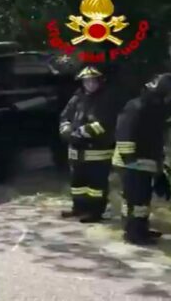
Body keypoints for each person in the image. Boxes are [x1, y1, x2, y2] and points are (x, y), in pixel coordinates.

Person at [113, 73, 171, 246]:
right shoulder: (137, 106)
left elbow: (157, 139)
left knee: (142, 201)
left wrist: (160, 168)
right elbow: (125, 134)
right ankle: (133, 234)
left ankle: (140, 229)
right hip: (130, 162)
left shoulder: (156, 108)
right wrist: (131, 161)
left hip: (145, 162)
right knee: (135, 200)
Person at [58, 66, 119, 223]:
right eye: (87, 81)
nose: (90, 84)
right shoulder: (77, 98)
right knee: (78, 184)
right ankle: (78, 209)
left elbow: (104, 123)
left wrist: (80, 133)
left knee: (96, 186)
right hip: (77, 152)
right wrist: (66, 129)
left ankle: (95, 212)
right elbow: (65, 116)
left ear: (99, 82)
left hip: (97, 151)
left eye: (93, 81)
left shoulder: (106, 99)